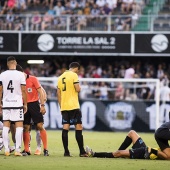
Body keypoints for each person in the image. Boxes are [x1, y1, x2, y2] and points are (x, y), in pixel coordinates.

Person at [16, 64, 49, 156]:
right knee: (26, 127)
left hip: (34, 104)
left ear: (21, 72)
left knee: (39, 126)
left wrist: (42, 105)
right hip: (23, 105)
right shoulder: (18, 81)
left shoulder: (33, 79)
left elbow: (41, 92)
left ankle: (45, 149)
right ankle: (27, 150)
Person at [57, 62, 88, 157]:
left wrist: (61, 107)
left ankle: (66, 152)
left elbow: (58, 93)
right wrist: (80, 88)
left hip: (64, 106)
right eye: (78, 70)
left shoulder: (60, 77)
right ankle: (82, 152)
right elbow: (77, 89)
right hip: (73, 106)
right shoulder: (74, 75)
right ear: (76, 69)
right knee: (78, 127)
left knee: (65, 128)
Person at [0, 56, 27, 156]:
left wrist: (0, 102)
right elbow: (23, 90)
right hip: (17, 103)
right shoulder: (20, 75)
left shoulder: (2, 75)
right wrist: (25, 104)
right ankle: (17, 150)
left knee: (6, 126)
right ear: (15, 63)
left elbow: (0, 90)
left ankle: (7, 149)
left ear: (8, 64)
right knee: (19, 126)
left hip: (6, 103)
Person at [86, 130, 159, 160]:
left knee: (118, 154)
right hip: (145, 149)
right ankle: (119, 152)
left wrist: (152, 150)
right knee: (132, 133)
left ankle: (93, 154)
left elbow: (166, 156)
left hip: (146, 154)